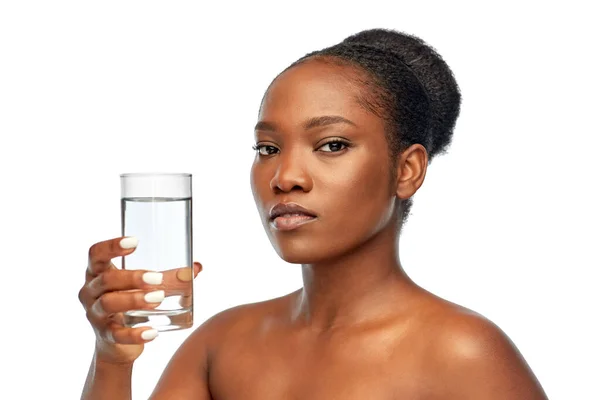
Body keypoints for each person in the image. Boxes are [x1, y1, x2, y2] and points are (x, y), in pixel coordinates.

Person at [79, 28, 548, 399]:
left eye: (332, 145)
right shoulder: (222, 345)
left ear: (406, 170)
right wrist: (112, 359)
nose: (285, 176)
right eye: (268, 147)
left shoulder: (462, 353)